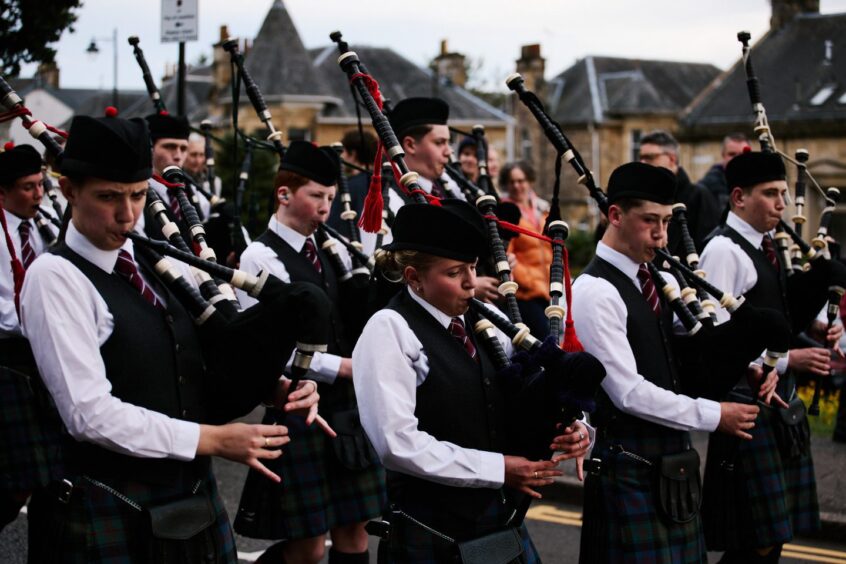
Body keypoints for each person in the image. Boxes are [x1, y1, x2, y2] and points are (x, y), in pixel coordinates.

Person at [20, 113, 320, 562]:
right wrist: (215, 440)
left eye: (138, 195)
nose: (127, 214)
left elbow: (189, 357)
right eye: (108, 197)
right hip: (105, 496)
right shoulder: (55, 276)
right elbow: (88, 413)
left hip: (190, 494)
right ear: (68, 190)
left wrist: (273, 386)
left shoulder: (155, 259)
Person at [353, 201, 593, 562]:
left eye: (472, 267)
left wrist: (575, 425)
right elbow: (396, 444)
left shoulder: (483, 319)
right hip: (433, 529)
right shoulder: (390, 329)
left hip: (502, 522)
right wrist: (500, 469)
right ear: (414, 278)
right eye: (453, 273)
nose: (470, 283)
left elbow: (536, 384)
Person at [572, 162, 761, 563]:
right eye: (650, 221)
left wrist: (747, 357)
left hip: (671, 461)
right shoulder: (595, 290)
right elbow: (627, 393)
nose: (661, 234)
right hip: (629, 462)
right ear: (616, 215)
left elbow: (689, 351)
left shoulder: (657, 277)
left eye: (667, 221)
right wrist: (715, 415)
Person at [233, 141, 385, 564]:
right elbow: (276, 350)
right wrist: (350, 367)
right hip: (299, 405)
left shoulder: (325, 247)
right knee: (309, 546)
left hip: (346, 407)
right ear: (285, 194)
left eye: (331, 198)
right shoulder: (259, 256)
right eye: (316, 195)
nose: (325, 207)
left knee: (355, 531)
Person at [698, 151, 841, 562]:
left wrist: (812, 326)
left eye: (783, 192)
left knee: (772, 539)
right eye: (771, 193)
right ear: (739, 197)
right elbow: (719, 340)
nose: (782, 203)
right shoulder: (723, 251)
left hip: (775, 405)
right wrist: (788, 358)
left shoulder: (766, 246)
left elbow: (768, 316)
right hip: (745, 407)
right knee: (755, 543)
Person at [0, 142, 61, 530]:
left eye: (40, 184)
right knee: (16, 483)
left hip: (43, 358)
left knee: (52, 476)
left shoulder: (44, 227)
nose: (38, 194)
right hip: (7, 359)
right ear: (2, 191)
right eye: (27, 187)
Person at [638, 130, 720, 254]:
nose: (642, 163)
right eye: (641, 158)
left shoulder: (699, 197)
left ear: (672, 159)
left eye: (650, 157)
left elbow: (709, 250)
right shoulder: (641, 197)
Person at [500, 161, 552, 338]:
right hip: (525, 295)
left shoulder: (544, 210)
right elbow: (507, 254)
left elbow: (554, 249)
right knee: (546, 342)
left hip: (549, 291)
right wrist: (530, 281)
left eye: (521, 181)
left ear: (530, 181)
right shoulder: (506, 214)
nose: (517, 186)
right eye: (511, 182)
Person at [327, 129, 376, 232]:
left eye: (343, 152)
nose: (341, 157)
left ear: (352, 154)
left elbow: (333, 227)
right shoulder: (386, 183)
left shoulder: (348, 187)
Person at [698, 133, 749, 209]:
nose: (737, 159)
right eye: (732, 154)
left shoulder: (759, 184)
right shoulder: (706, 188)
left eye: (742, 154)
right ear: (723, 155)